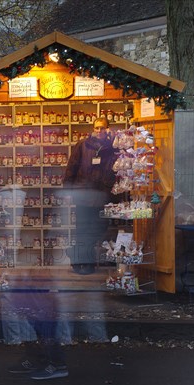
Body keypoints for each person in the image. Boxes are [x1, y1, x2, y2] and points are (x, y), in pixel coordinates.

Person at [64, 117, 119, 275]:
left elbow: (118, 161)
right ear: (92, 129)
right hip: (83, 194)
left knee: (99, 228)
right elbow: (71, 167)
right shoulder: (83, 145)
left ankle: (75, 255)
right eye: (96, 128)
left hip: (102, 195)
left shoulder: (111, 147)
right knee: (82, 229)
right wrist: (67, 189)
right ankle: (84, 264)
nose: (99, 131)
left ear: (108, 129)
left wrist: (112, 138)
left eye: (102, 128)